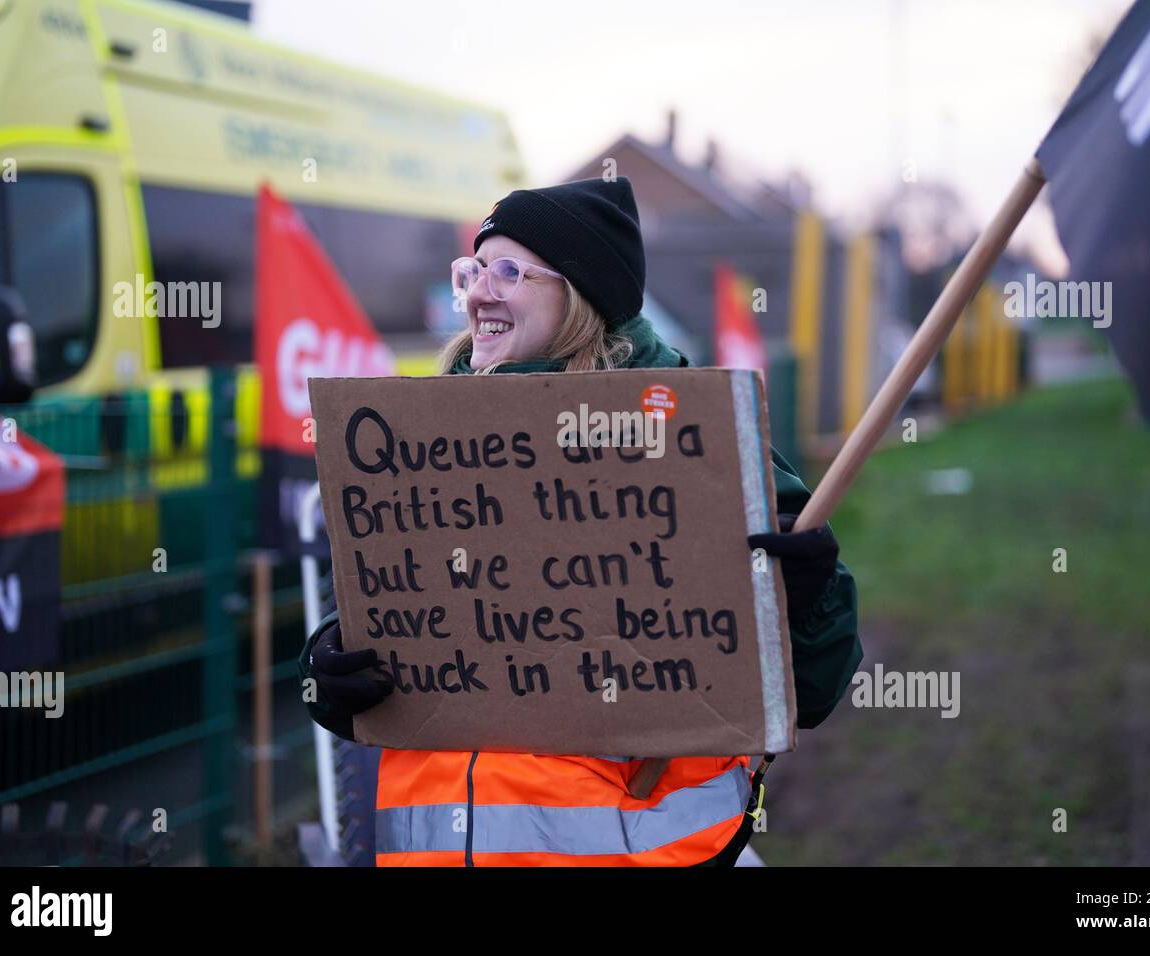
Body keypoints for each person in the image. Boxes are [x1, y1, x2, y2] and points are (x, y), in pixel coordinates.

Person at [298, 177, 862, 866]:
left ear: (580, 296)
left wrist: (806, 599)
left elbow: (813, 689)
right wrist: (333, 670)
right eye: (472, 271)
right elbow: (418, 618)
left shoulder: (694, 441)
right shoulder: (429, 448)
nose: (479, 292)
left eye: (509, 271)